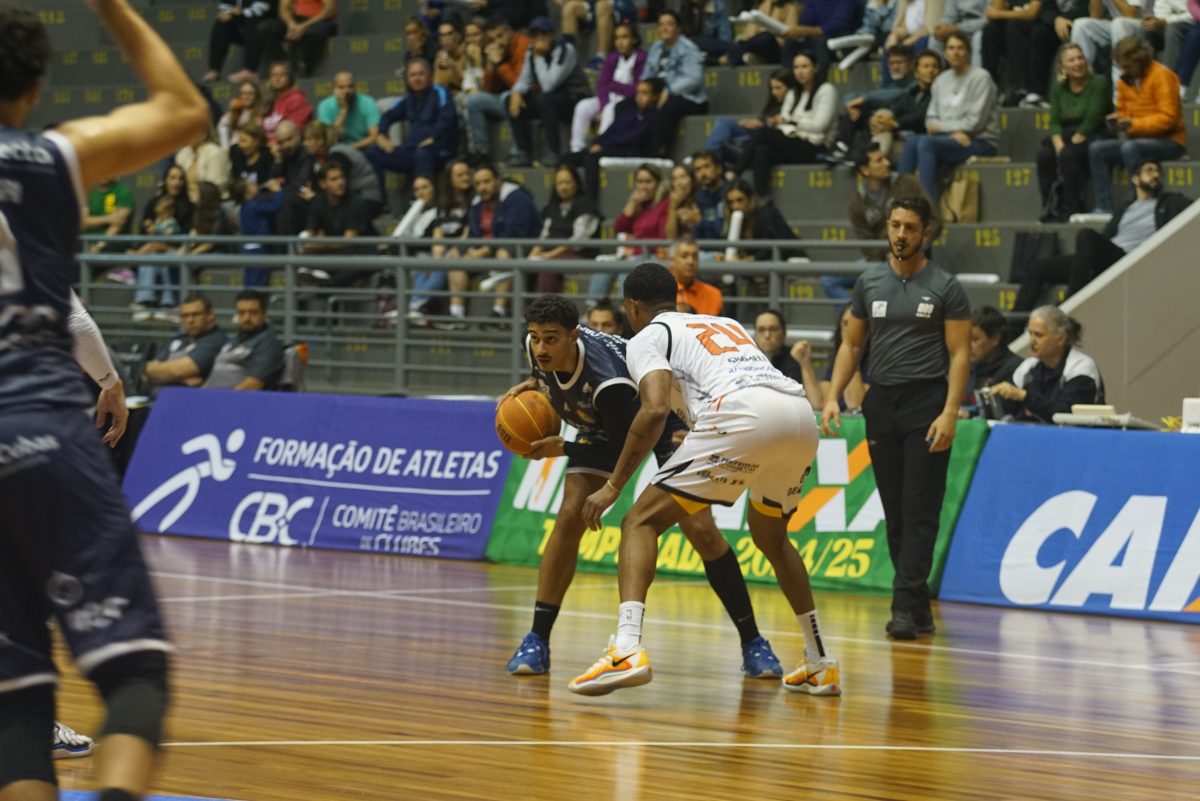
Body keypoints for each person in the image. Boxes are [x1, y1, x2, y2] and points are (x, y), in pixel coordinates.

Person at [0, 2, 209, 799]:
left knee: (15, 705)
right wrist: (112, 7)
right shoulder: (54, 154)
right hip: (42, 421)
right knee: (135, 671)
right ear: (35, 86)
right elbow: (185, 111)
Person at [568, 263, 842, 697]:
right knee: (771, 539)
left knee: (639, 522)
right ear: (674, 297)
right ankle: (820, 661)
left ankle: (626, 649)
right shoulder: (723, 322)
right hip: (797, 415)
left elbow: (654, 409)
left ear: (632, 307)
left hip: (743, 415)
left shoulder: (647, 337)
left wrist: (614, 486)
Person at [500, 295, 785, 678]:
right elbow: (557, 382)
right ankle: (537, 639)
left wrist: (563, 447)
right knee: (569, 515)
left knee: (700, 529)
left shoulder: (610, 383)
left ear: (572, 337)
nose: (540, 348)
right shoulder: (537, 347)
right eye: (535, 338)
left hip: (660, 419)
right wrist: (536, 384)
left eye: (550, 339)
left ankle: (754, 642)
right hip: (602, 424)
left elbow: (622, 451)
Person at [821, 195, 970, 641]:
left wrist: (949, 412)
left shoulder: (945, 286)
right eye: (895, 225)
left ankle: (903, 606)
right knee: (896, 510)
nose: (901, 235)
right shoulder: (869, 282)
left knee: (920, 506)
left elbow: (960, 354)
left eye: (910, 227)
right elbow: (852, 345)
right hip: (881, 403)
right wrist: (832, 397)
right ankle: (917, 605)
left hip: (927, 402)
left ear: (926, 233)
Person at [1016, 159, 1190, 310]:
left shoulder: (1168, 202)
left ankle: (1070, 302)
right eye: (1149, 171)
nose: (1155, 175)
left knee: (1086, 235)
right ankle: (1013, 327)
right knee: (1040, 266)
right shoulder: (1125, 207)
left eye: (1158, 171)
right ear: (1135, 178)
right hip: (1110, 255)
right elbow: (1107, 236)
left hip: (1129, 259)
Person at [1087, 36, 1186, 215]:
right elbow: (1125, 112)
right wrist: (1118, 121)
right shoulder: (1124, 81)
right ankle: (1103, 206)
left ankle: (1139, 203)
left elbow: (1168, 119)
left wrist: (1132, 123)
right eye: (1121, 66)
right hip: (1138, 139)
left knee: (1130, 147)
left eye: (1128, 66)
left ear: (1140, 60)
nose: (1124, 70)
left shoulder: (1162, 76)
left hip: (1170, 141)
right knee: (1097, 149)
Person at [897, 31, 1000, 199]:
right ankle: (898, 201)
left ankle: (926, 206)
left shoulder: (981, 78)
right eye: (951, 48)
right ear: (945, 53)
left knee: (926, 143)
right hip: (950, 139)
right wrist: (951, 133)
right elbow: (930, 120)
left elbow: (975, 123)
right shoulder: (941, 80)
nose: (955, 52)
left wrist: (943, 129)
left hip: (979, 141)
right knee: (913, 141)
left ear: (968, 52)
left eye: (960, 48)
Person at [736, 52, 837, 198]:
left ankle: (736, 170)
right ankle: (763, 199)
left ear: (815, 68)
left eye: (804, 66)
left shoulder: (826, 90)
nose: (800, 72)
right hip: (793, 140)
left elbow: (820, 126)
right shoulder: (794, 93)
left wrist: (792, 123)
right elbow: (782, 123)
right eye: (796, 67)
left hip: (815, 146)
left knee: (764, 132)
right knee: (762, 151)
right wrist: (789, 126)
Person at [989, 306, 1104, 422]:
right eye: (1030, 334)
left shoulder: (1081, 367)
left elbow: (1067, 415)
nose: (1032, 341)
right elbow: (1010, 410)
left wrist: (1024, 396)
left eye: (1039, 335)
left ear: (1061, 338)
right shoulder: (1028, 367)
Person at [1036, 42, 1110, 223]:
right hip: (1067, 135)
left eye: (1080, 58)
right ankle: (1051, 205)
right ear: (1063, 67)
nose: (1078, 63)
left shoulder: (1098, 83)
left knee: (1068, 155)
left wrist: (1075, 138)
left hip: (1093, 133)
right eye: (1072, 60)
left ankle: (1072, 205)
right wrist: (1058, 143)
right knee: (1044, 155)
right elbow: (1054, 121)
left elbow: (1093, 118)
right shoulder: (1058, 88)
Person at [508, 16, 590, 167]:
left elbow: (549, 84)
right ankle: (523, 152)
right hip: (551, 101)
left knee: (545, 99)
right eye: (535, 35)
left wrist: (539, 57)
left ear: (552, 35)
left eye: (543, 34)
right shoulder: (531, 52)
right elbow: (523, 80)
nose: (539, 39)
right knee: (512, 100)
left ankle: (554, 152)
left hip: (574, 98)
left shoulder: (565, 50)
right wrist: (516, 93)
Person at [365, 59, 457, 192]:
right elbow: (388, 116)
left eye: (421, 74)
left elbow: (447, 119)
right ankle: (379, 200)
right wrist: (382, 135)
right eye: (412, 75)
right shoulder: (408, 100)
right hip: (412, 151)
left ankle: (422, 200)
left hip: (438, 150)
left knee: (422, 152)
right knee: (373, 152)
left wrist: (434, 138)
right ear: (407, 79)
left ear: (429, 76)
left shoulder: (440, 92)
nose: (416, 79)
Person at [848, 142, 935, 265]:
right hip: (880, 260)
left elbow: (933, 218)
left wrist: (914, 247)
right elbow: (866, 242)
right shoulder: (857, 203)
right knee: (834, 276)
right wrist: (887, 255)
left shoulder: (908, 184)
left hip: (913, 255)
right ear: (865, 170)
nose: (887, 163)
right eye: (879, 160)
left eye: (885, 158)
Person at [569, 23, 645, 155]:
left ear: (634, 39)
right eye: (617, 38)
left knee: (610, 110)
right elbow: (602, 85)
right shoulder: (612, 58)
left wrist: (614, 85)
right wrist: (603, 105)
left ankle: (601, 147)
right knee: (583, 106)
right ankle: (576, 148)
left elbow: (637, 88)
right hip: (608, 99)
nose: (620, 42)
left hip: (628, 101)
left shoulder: (641, 58)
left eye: (624, 37)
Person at [641, 11, 709, 158]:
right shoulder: (655, 48)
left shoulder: (689, 48)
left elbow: (694, 79)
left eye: (669, 24)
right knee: (626, 105)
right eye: (661, 25)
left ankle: (656, 154)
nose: (664, 28)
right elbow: (646, 75)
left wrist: (669, 90)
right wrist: (645, 93)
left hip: (690, 98)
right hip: (659, 93)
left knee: (669, 106)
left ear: (678, 28)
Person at [465, 18, 530, 164]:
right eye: (493, 39)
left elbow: (519, 85)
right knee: (474, 101)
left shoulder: (523, 45)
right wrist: (492, 66)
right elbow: (489, 89)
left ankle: (519, 152)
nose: (497, 42)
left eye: (500, 36)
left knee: (508, 96)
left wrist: (500, 64)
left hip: (527, 99)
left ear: (510, 32)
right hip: (503, 99)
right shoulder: (498, 49)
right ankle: (482, 152)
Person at [528, 165, 601, 293]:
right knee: (522, 268)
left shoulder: (586, 207)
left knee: (548, 266)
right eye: (560, 183)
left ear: (576, 184)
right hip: (550, 253)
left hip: (579, 255)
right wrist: (534, 252)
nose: (563, 187)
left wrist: (549, 255)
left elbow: (578, 241)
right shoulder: (552, 207)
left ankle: (545, 305)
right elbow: (544, 235)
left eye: (567, 182)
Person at [704, 71, 792, 178]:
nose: (774, 92)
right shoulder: (773, 105)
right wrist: (755, 123)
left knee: (725, 143)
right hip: (752, 137)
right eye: (772, 88)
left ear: (790, 88)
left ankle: (708, 165)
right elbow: (764, 121)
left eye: (778, 88)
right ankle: (709, 161)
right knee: (724, 123)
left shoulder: (795, 106)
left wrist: (765, 125)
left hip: (766, 143)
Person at [142, 292, 229, 390]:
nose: (190, 320)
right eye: (185, 316)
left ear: (210, 315)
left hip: (189, 398)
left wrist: (157, 374)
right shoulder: (178, 339)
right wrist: (182, 380)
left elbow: (179, 370)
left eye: (196, 314)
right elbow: (147, 371)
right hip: (158, 397)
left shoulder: (216, 340)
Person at [980, 0, 1058, 107]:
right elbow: (992, 13)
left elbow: (1032, 13)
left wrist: (999, 14)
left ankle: (1020, 89)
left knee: (1014, 25)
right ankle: (990, 89)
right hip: (1013, 23)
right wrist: (1000, 13)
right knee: (990, 30)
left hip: (1040, 22)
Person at [206, 290, 285, 390]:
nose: (247, 318)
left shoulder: (268, 343)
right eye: (242, 313)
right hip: (212, 395)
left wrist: (222, 398)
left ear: (264, 315)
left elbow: (253, 385)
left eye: (253, 313)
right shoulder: (233, 341)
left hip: (235, 398)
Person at [964, 304, 1022, 414]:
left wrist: (969, 414)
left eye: (974, 339)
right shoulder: (967, 367)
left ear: (995, 338)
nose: (968, 345)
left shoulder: (1016, 370)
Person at [258, 0, 338, 78]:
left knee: (313, 33)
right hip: (296, 20)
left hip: (319, 20)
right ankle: (277, 64)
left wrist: (304, 26)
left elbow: (329, 9)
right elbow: (284, 8)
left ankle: (302, 67)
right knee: (267, 28)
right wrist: (291, 24)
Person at [205, 0, 276, 84]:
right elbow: (225, 5)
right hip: (243, 27)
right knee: (221, 23)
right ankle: (214, 69)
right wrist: (227, 12)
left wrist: (239, 12)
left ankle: (250, 70)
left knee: (252, 20)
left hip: (266, 23)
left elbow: (262, 7)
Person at [722, 0, 801, 67]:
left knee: (766, 37)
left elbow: (790, 34)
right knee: (750, 40)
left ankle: (734, 54)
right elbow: (750, 30)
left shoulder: (791, 7)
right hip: (757, 44)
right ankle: (742, 53)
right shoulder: (764, 4)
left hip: (777, 47)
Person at [317, 71, 381, 150]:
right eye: (341, 87)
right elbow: (328, 139)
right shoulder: (325, 106)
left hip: (363, 148)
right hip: (335, 150)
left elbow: (375, 136)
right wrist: (343, 111)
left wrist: (349, 149)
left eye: (350, 86)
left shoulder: (368, 102)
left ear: (355, 88)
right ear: (334, 89)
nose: (346, 91)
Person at [670, 236, 722, 316]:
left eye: (695, 256)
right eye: (684, 256)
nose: (690, 261)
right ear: (672, 260)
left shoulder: (714, 294)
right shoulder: (660, 293)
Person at [260, 61, 313, 138]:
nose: (277, 79)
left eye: (282, 75)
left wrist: (273, 142)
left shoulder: (297, 100)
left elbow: (294, 131)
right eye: (274, 75)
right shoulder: (268, 100)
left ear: (289, 78)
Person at [218, 78, 263, 150]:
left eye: (250, 93)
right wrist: (226, 149)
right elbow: (222, 127)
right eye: (244, 93)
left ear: (256, 95)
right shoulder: (235, 112)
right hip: (235, 149)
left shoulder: (261, 112)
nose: (247, 96)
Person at [665, 163, 701, 239]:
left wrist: (696, 219)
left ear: (692, 179)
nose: (679, 183)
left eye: (683, 177)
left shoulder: (701, 198)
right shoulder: (669, 202)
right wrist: (673, 206)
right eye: (674, 179)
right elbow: (671, 236)